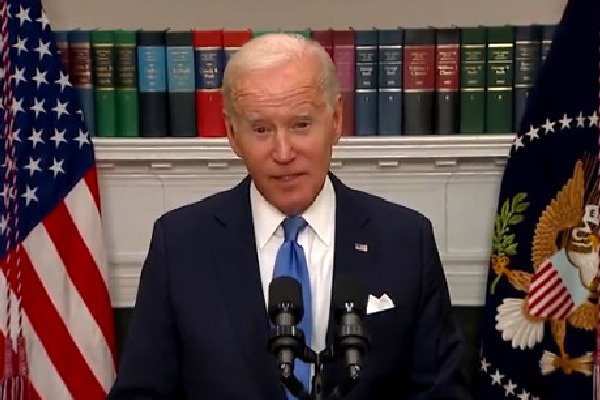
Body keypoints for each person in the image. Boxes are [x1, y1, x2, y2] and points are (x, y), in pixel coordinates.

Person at [107, 33, 472, 400]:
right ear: (232, 134)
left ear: (336, 120)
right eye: (261, 129)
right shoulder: (180, 245)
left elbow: (442, 394)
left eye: (301, 125)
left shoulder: (406, 241)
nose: (283, 153)